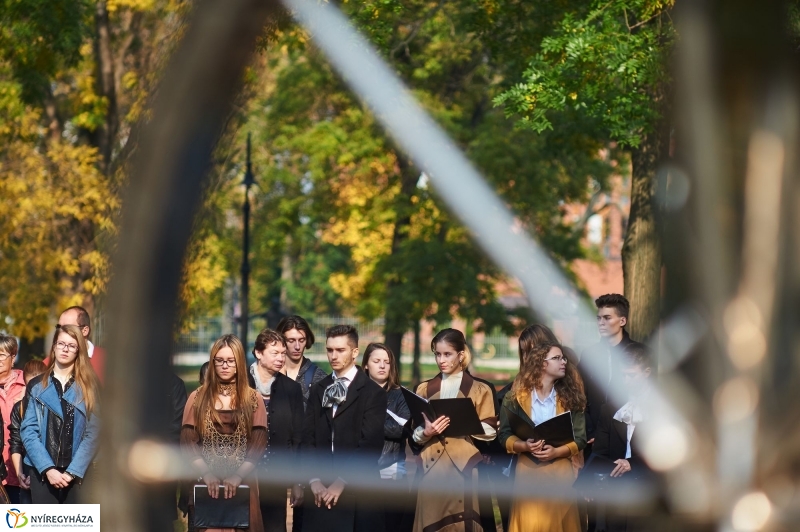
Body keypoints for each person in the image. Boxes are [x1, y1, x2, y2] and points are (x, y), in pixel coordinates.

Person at [301, 325, 387, 532]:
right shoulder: (319, 389)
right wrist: (314, 480)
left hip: (358, 491)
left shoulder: (372, 393)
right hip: (320, 491)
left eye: (340, 350)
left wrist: (340, 483)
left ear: (355, 352)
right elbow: (307, 437)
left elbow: (371, 444)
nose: (333, 356)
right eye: (330, 350)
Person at [498, 335, 587, 532]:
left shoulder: (572, 398)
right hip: (528, 470)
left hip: (560, 471)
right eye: (557, 358)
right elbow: (504, 435)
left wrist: (557, 452)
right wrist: (524, 446)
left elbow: (580, 438)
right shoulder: (514, 398)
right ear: (541, 363)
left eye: (563, 358)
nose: (563, 362)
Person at [411, 328, 497, 532]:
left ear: (461, 355)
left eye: (447, 354)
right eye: (437, 354)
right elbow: (414, 434)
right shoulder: (423, 389)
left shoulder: (480, 389)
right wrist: (426, 433)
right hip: (430, 468)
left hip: (465, 468)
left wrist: (464, 423)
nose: (441, 360)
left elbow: (491, 431)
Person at [182, 334, 268, 532]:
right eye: (219, 360)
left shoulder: (253, 399)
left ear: (239, 362)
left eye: (230, 361)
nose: (225, 365)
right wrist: (207, 474)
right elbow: (188, 442)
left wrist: (238, 476)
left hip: (243, 482)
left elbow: (257, 444)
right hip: (205, 483)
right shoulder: (197, 397)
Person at [20, 324, 101, 504]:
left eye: (71, 345)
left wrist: (73, 471)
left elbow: (95, 431)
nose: (65, 349)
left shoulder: (89, 386)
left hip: (78, 472)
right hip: (42, 472)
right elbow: (28, 431)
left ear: (78, 350)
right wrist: (48, 469)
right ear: (54, 346)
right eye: (61, 343)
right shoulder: (36, 385)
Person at [583, 343, 654, 532]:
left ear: (646, 372)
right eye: (623, 375)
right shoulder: (611, 408)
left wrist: (632, 463)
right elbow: (600, 451)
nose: (626, 381)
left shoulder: (661, 408)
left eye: (631, 375)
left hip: (649, 490)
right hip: (616, 490)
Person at [248, 329, 304, 532]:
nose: (281, 358)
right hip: (244, 473)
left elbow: (298, 437)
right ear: (258, 353)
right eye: (275, 353)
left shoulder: (291, 389)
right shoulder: (241, 383)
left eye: (283, 353)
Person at [361, 343, 413, 532]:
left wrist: (365, 421)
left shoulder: (402, 396)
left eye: (387, 361)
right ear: (366, 365)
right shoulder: (354, 394)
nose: (382, 365)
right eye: (377, 361)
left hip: (391, 472)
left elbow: (400, 430)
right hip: (359, 471)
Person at [581, 295, 640, 443]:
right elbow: (578, 394)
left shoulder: (640, 354)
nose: (601, 323)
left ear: (622, 321)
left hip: (628, 437)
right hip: (593, 438)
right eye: (599, 318)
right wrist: (590, 431)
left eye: (607, 318)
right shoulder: (589, 354)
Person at [8, 359, 46, 504]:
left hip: (53, 472)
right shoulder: (20, 408)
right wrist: (20, 474)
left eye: (39, 385)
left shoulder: (56, 405)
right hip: (28, 469)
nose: (35, 391)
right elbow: (15, 443)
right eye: (31, 385)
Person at [276, 316, 326, 406]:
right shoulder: (269, 374)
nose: (297, 346)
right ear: (280, 341)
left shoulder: (318, 377)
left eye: (301, 340)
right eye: (291, 340)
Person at [52, 306, 106, 382]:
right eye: (59, 327)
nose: (61, 332)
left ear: (85, 331)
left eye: (68, 328)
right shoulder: (47, 365)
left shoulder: (106, 360)